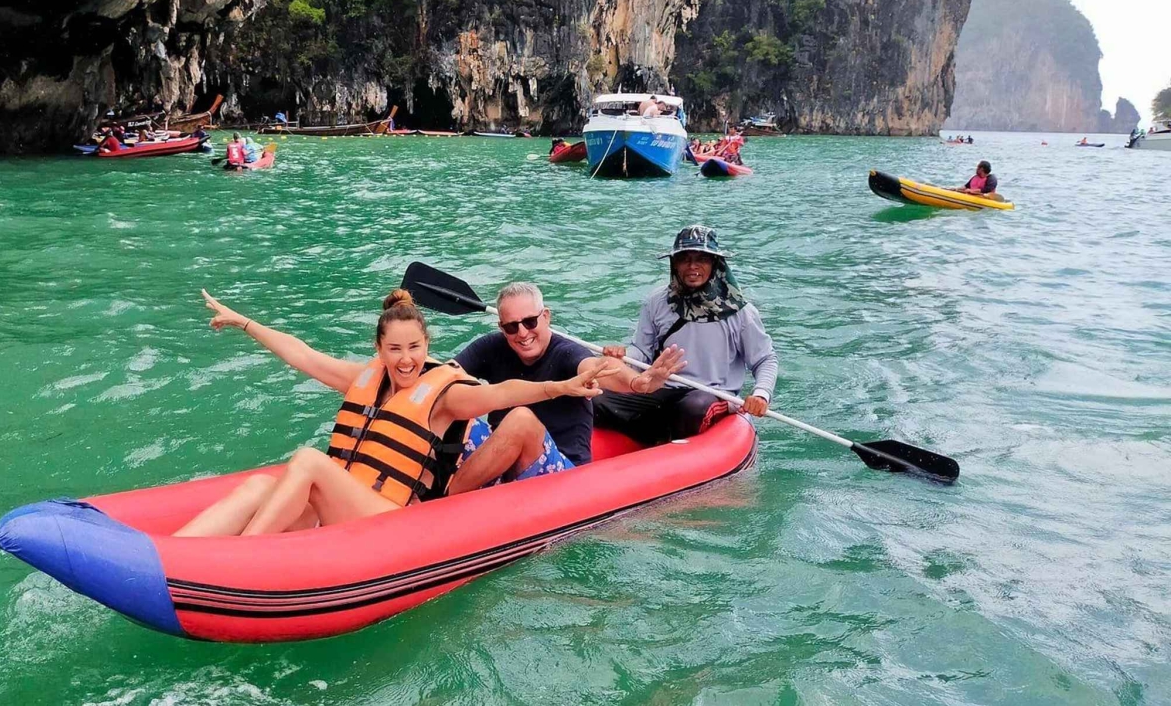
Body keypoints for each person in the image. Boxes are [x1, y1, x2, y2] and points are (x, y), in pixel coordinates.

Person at [173, 289, 606, 537]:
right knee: (254, 487)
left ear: (427, 347)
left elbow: (504, 394)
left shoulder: (442, 395)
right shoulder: (366, 378)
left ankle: (244, 561)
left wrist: (559, 387)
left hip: (390, 518)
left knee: (307, 460)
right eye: (395, 349)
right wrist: (244, 322)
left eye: (415, 348)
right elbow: (300, 353)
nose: (405, 360)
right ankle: (175, 556)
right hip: (350, 503)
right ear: (379, 350)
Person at [442, 282, 683, 495]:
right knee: (449, 406)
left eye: (530, 321)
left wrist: (635, 383)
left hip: (564, 472)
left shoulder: (567, 352)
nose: (523, 333)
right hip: (507, 462)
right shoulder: (492, 347)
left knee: (521, 420)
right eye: (512, 327)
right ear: (501, 327)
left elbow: (597, 367)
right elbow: (444, 376)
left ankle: (444, 502)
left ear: (546, 316)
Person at [594, 226, 779, 445]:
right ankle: (651, 438)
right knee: (595, 398)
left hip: (710, 393)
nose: (693, 266)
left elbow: (765, 359)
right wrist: (623, 355)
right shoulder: (657, 301)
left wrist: (761, 394)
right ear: (674, 264)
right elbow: (642, 352)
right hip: (660, 389)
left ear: (715, 264)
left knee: (692, 407)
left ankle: (667, 443)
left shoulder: (740, 312)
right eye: (684, 259)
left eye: (702, 259)